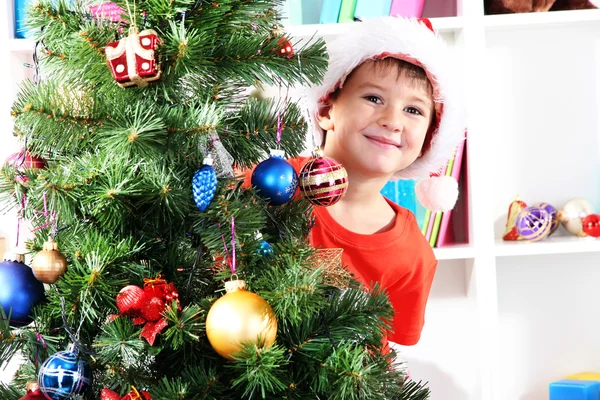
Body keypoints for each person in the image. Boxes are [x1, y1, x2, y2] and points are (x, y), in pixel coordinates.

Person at [246, 16, 465, 346]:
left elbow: (379, 355)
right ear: (326, 109)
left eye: (414, 111)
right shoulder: (271, 182)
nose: (392, 121)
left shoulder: (412, 255)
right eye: (373, 98)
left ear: (428, 141)